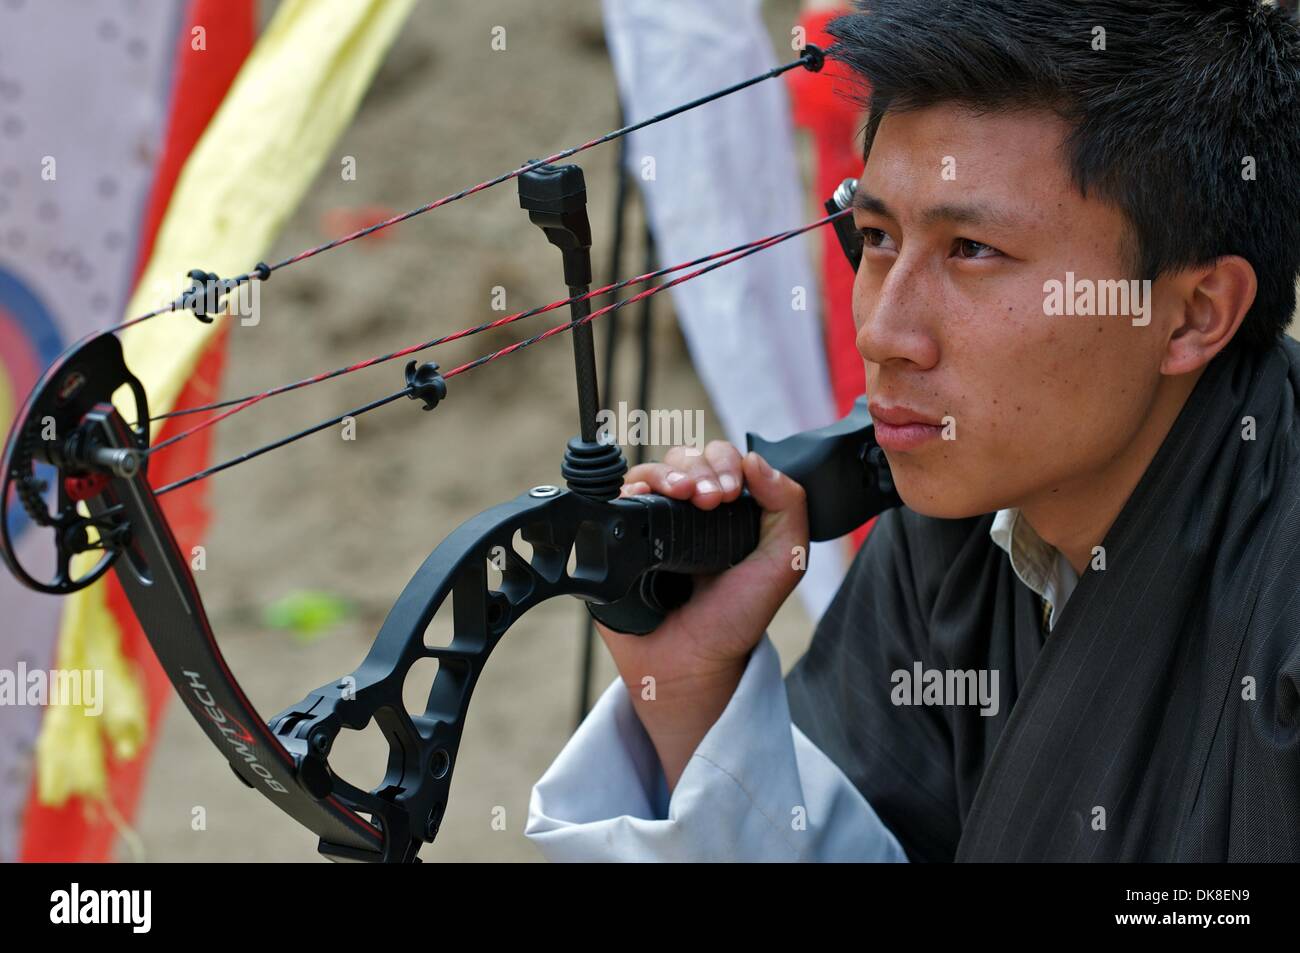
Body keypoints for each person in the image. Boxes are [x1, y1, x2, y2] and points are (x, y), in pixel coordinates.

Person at [525, 0, 1300, 862]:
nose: (884, 333)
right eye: (877, 236)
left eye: (972, 249)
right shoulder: (952, 532)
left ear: (1193, 313)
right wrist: (694, 689)